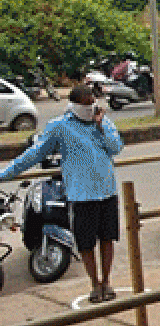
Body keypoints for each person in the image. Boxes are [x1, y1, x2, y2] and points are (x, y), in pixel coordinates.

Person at [0, 86, 123, 303]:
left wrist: (101, 125)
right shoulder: (60, 126)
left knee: (107, 238)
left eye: (91, 103)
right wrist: (6, 173)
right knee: (86, 243)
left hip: (106, 190)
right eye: (84, 104)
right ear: (74, 105)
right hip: (82, 194)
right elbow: (34, 154)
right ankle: (95, 283)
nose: (89, 108)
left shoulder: (102, 122)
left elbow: (115, 147)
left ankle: (107, 281)